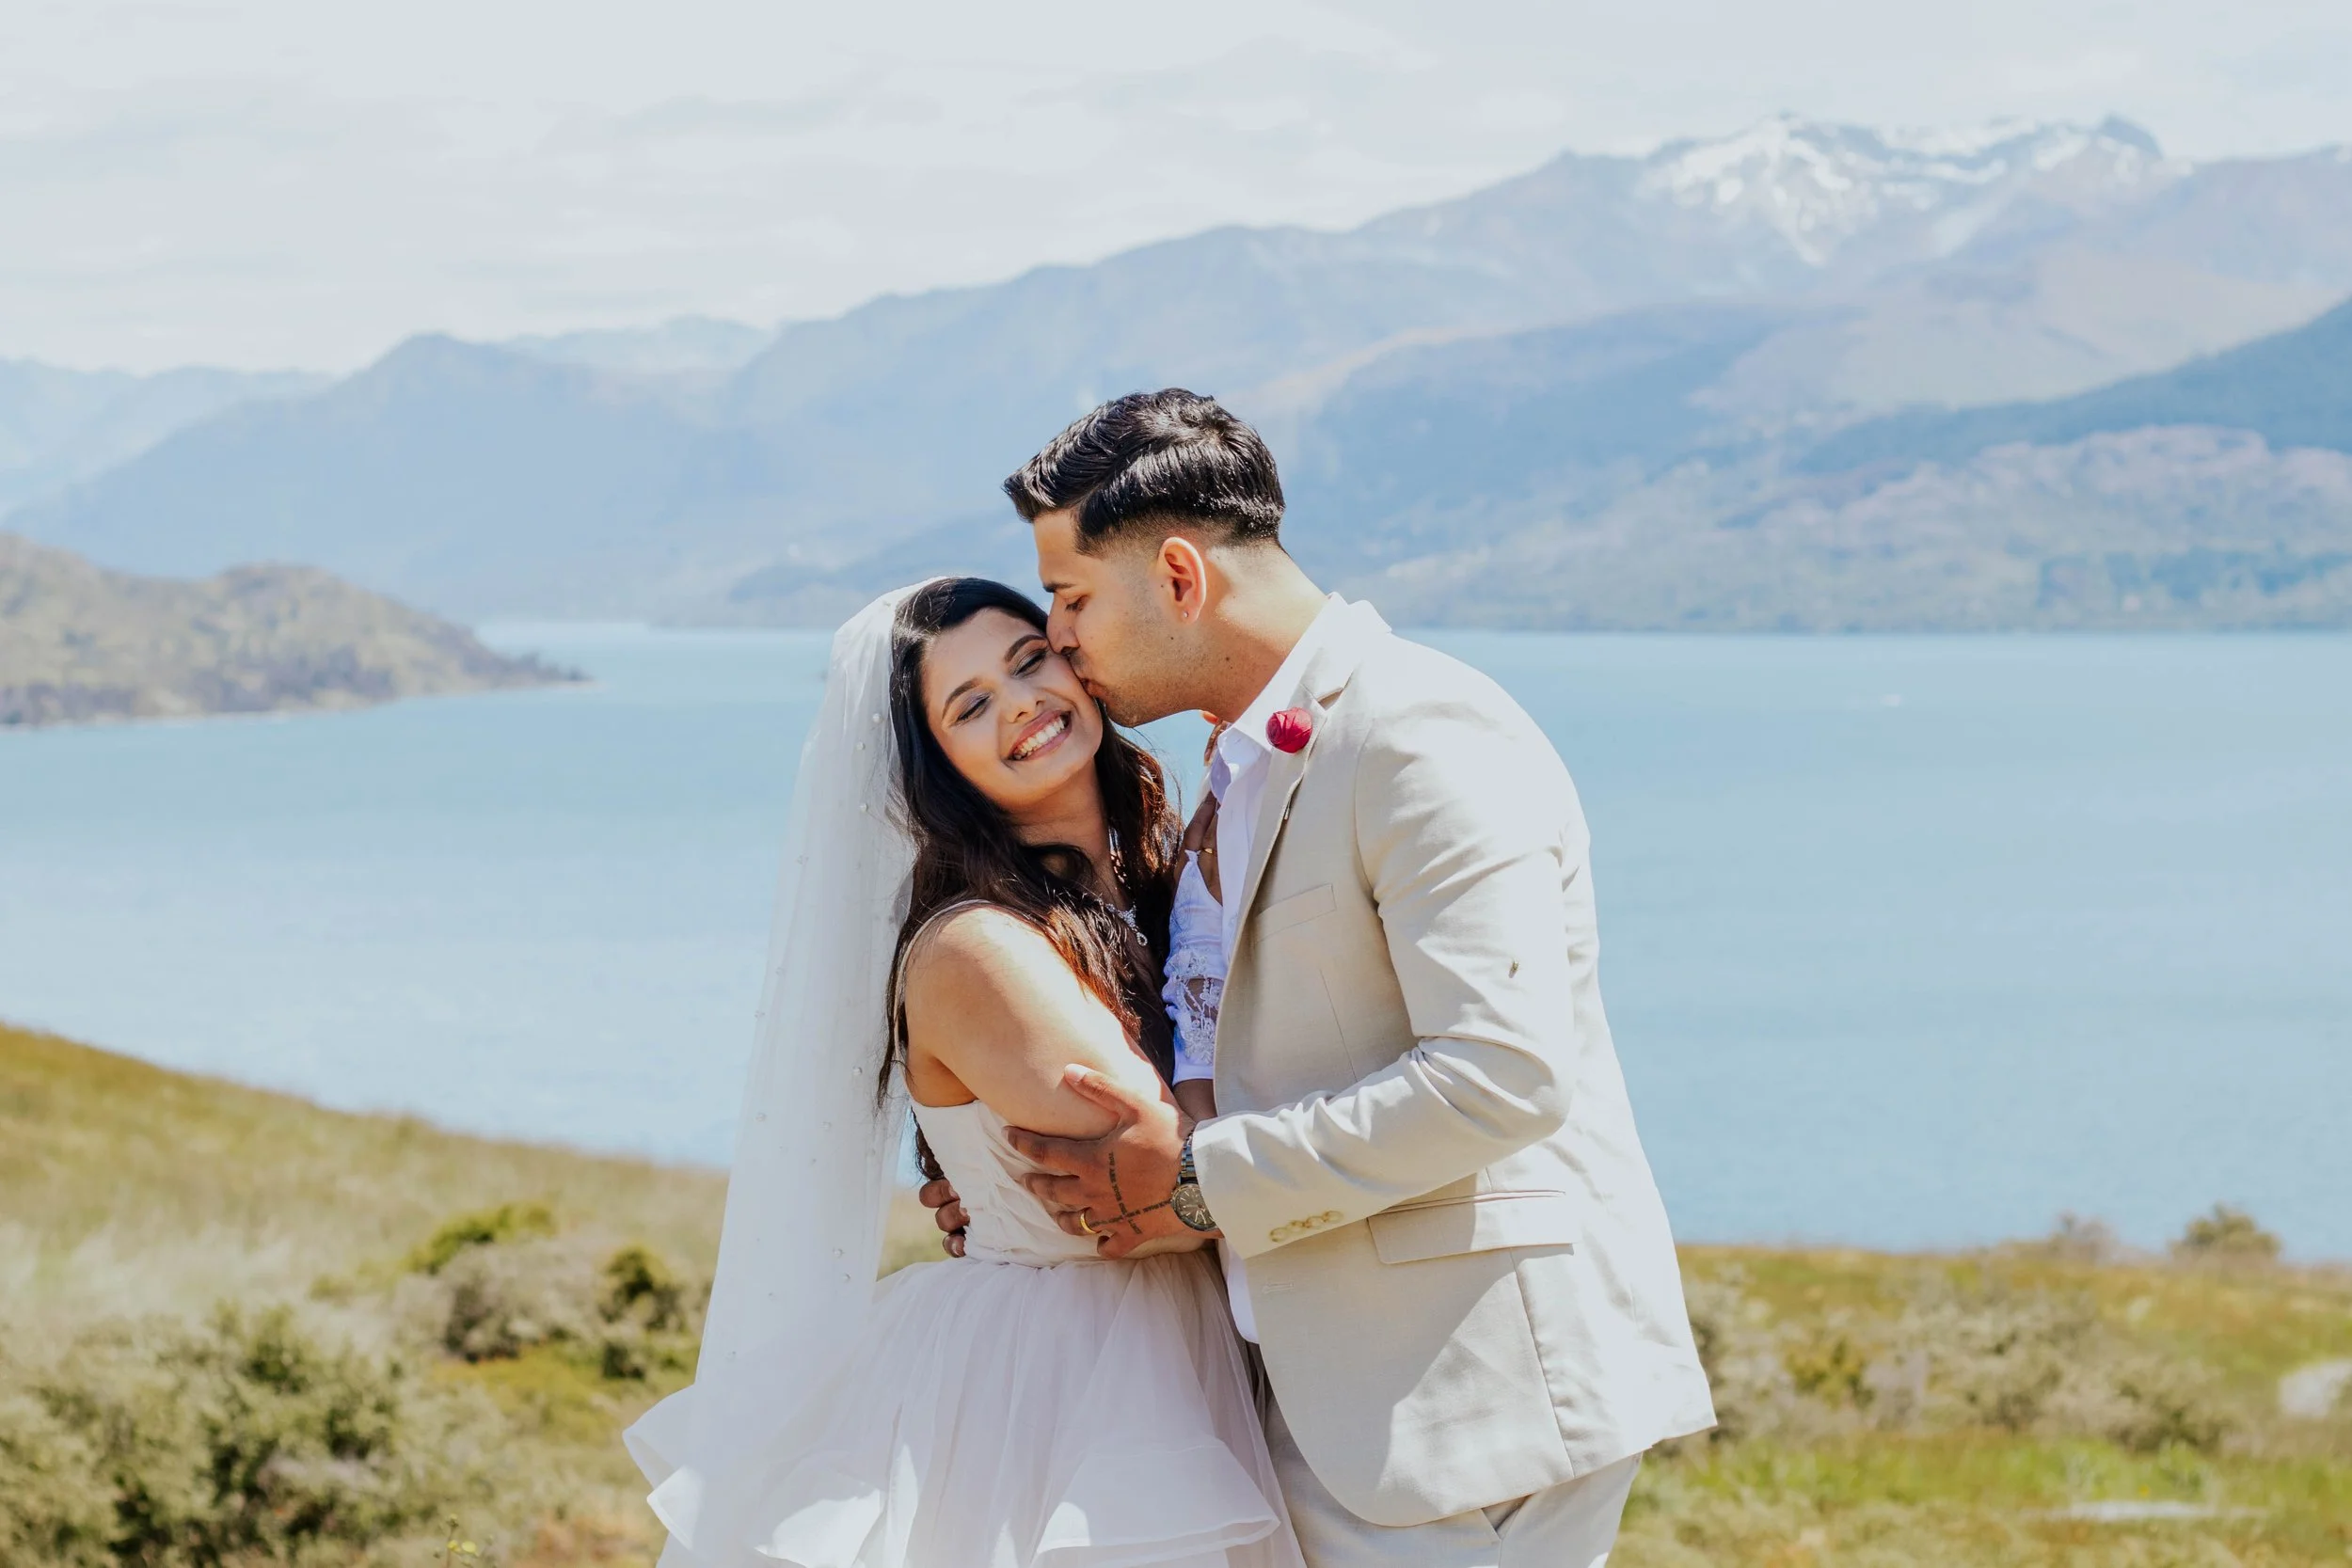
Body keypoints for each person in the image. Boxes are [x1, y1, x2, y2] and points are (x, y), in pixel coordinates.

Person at [924, 389, 1718, 1567]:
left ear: (1181, 578)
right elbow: (1240, 1039)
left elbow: (1500, 1073)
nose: (1067, 639)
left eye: (1073, 599)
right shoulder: (1240, 764)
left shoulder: (1415, 733)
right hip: (1315, 1394)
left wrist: (1195, 1182)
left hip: (1460, 1414)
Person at [626, 578, 1304, 1568]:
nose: (1022, 701)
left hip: (1192, 1349)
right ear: (935, 766)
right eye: (970, 705)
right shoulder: (979, 949)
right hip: (1065, 1389)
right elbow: (1157, 1149)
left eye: (1029, 659)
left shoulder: (1159, 873)